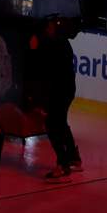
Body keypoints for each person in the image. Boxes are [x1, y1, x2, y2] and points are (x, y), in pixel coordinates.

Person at [29, 17, 82, 182]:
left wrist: (35, 48)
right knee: (60, 122)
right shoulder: (60, 42)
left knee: (52, 124)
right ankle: (73, 158)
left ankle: (63, 163)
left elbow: (45, 67)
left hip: (61, 91)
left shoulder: (56, 44)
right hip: (65, 90)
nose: (49, 28)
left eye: (50, 25)